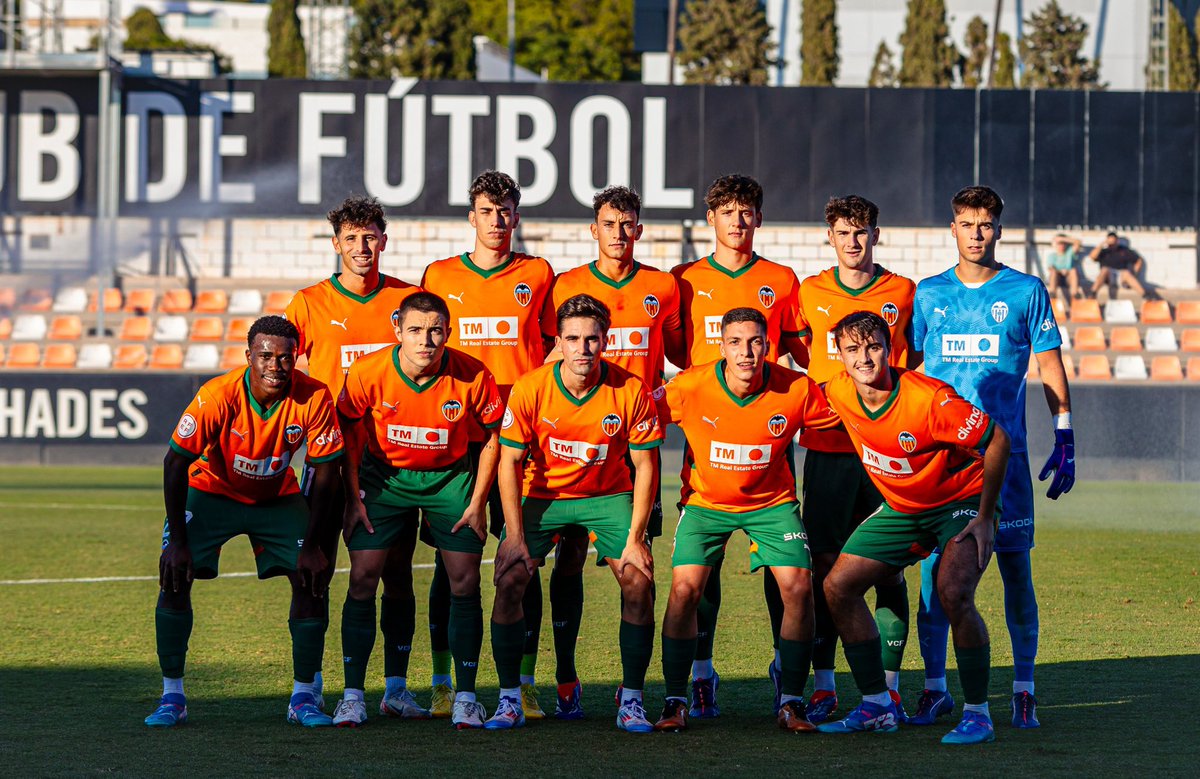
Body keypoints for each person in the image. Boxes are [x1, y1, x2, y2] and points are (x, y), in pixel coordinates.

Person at [911, 185, 1075, 730]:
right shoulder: (929, 294)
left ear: (999, 228)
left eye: (985, 224)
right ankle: (935, 689)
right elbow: (910, 374)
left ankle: (1023, 688)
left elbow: (1050, 367)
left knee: (1015, 572)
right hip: (943, 461)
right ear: (952, 229)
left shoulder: (1026, 291)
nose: (976, 234)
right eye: (966, 223)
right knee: (936, 576)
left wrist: (1065, 433)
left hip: (1007, 460)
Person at [817, 311, 1011, 746]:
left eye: (872, 346)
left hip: (960, 501)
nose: (864, 358)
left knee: (953, 593)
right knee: (837, 586)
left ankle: (978, 714)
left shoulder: (930, 400)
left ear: (890, 348)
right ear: (840, 356)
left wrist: (984, 516)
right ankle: (876, 705)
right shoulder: (837, 392)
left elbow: (998, 440)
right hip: (904, 508)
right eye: (852, 349)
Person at [145, 316, 345, 728]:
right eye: (266, 356)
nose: (276, 366)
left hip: (276, 497)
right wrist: (177, 540)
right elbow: (174, 463)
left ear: (296, 358)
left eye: (286, 358)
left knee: (311, 578)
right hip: (212, 491)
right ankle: (172, 696)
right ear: (249, 356)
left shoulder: (314, 396)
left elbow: (326, 474)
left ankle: (304, 695)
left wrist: (312, 545)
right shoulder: (217, 394)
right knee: (175, 576)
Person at [651, 307, 841, 733]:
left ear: (769, 346)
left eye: (755, 341)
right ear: (722, 346)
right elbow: (642, 418)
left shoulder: (796, 388)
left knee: (797, 586)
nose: (746, 352)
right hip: (705, 504)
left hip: (773, 504)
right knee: (684, 590)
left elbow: (848, 414)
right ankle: (675, 699)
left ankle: (791, 699)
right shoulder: (689, 386)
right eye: (736, 342)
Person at [487, 294, 663, 733]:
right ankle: (510, 698)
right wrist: (513, 535)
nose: (583, 349)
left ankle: (632, 700)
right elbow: (508, 462)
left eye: (591, 339)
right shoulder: (531, 388)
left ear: (606, 340)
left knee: (638, 578)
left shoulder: (630, 389)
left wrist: (636, 538)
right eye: (573, 339)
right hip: (544, 496)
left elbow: (646, 465)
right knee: (510, 577)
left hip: (607, 495)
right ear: (559, 343)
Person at [539, 185, 683, 717]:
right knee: (568, 558)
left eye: (628, 224)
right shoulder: (566, 286)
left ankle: (636, 692)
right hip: (571, 447)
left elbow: (681, 355)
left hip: (632, 451)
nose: (619, 234)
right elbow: (550, 357)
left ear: (639, 229)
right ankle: (565, 678)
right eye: (609, 223)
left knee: (638, 566)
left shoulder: (662, 287)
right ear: (593, 230)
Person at [332, 292, 504, 729]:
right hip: (384, 479)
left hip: (450, 479)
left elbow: (491, 437)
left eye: (435, 330)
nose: (425, 340)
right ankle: (356, 696)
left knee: (465, 580)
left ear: (448, 331)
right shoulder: (369, 372)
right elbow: (349, 435)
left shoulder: (473, 375)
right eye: (415, 330)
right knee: (365, 576)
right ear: (398, 331)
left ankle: (465, 697)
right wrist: (352, 498)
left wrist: (479, 501)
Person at [670, 174, 807, 717]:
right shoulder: (684, 279)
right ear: (711, 219)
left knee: (786, 572)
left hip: (767, 434)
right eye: (727, 211)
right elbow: (679, 354)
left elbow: (799, 352)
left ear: (759, 218)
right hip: (708, 428)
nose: (738, 221)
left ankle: (784, 667)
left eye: (747, 211)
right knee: (701, 573)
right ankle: (701, 674)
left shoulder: (781, 278)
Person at [421, 170, 555, 718]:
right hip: (460, 437)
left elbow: (551, 345)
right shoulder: (439, 274)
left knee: (521, 559)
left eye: (505, 211)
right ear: (470, 217)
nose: (496, 220)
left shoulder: (539, 273)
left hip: (520, 437)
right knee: (451, 562)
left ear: (516, 216)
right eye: (486, 210)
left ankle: (522, 681)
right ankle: (440, 680)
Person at [283, 195, 419, 716]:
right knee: (315, 570)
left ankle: (396, 687)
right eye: (351, 238)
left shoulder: (409, 300)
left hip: (388, 464)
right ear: (336, 243)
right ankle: (309, 686)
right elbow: (277, 374)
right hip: (325, 462)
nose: (362, 247)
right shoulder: (309, 303)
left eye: (371, 237)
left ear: (383, 241)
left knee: (395, 573)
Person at [790, 195, 916, 724]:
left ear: (876, 235)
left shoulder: (903, 293)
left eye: (862, 231)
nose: (853, 241)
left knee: (886, 570)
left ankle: (887, 689)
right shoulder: (809, 292)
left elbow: (915, 358)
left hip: (884, 452)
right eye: (844, 232)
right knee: (823, 566)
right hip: (827, 451)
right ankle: (824, 685)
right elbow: (801, 351)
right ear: (831, 237)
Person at [1087, 232, 1151, 299]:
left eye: (1113, 240)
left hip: (1121, 276)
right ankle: (1092, 294)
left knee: (1126, 272)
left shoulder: (1124, 250)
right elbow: (1092, 257)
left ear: (1117, 241)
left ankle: (1146, 296)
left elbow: (1138, 260)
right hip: (1108, 277)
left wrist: (1134, 273)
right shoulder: (1104, 251)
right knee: (1104, 270)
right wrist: (1102, 244)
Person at [1043, 234, 1082, 301]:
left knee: (1073, 270)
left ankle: (1075, 294)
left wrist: (1062, 239)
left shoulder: (1069, 252)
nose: (1062, 246)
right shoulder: (1052, 256)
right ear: (1056, 245)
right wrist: (1061, 271)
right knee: (1053, 272)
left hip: (1068, 279)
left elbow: (1078, 242)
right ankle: (1052, 295)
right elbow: (1051, 268)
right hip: (1057, 278)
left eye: (1063, 244)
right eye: (1060, 244)